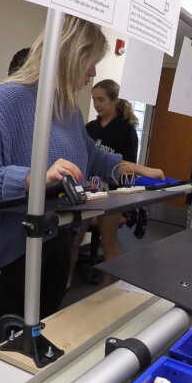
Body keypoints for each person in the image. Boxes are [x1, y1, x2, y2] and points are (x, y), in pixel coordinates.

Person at [0, 15, 163, 348]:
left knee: (46, 331)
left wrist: (137, 169)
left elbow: (94, 158)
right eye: (90, 62)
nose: (93, 72)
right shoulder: (6, 99)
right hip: (13, 250)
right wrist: (34, 177)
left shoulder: (69, 110)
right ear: (70, 55)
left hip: (55, 240)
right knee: (9, 343)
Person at [75, 79, 142, 287]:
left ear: (114, 100)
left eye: (101, 100)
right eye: (94, 100)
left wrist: (125, 202)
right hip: (87, 191)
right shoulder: (90, 128)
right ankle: (65, 281)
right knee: (73, 241)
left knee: (109, 244)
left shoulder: (126, 130)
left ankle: (106, 287)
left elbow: (129, 167)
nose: (96, 104)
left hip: (112, 194)